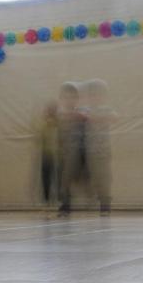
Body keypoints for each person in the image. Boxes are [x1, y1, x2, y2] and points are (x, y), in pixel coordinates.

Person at [82, 79, 116, 214]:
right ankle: (92, 197)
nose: (95, 97)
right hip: (87, 151)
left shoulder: (106, 109)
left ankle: (104, 203)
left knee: (104, 178)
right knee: (90, 177)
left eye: (98, 94)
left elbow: (114, 117)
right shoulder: (84, 109)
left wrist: (95, 117)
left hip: (102, 150)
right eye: (92, 94)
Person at [57, 82, 87, 216]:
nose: (69, 100)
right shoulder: (59, 115)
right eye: (66, 97)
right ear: (62, 99)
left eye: (72, 97)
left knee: (71, 177)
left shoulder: (81, 114)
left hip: (78, 152)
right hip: (64, 153)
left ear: (76, 99)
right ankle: (65, 204)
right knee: (63, 179)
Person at [40, 100, 59, 204]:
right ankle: (47, 201)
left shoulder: (58, 124)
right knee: (46, 178)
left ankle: (59, 200)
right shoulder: (44, 124)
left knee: (58, 178)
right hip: (46, 155)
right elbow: (40, 137)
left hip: (56, 155)